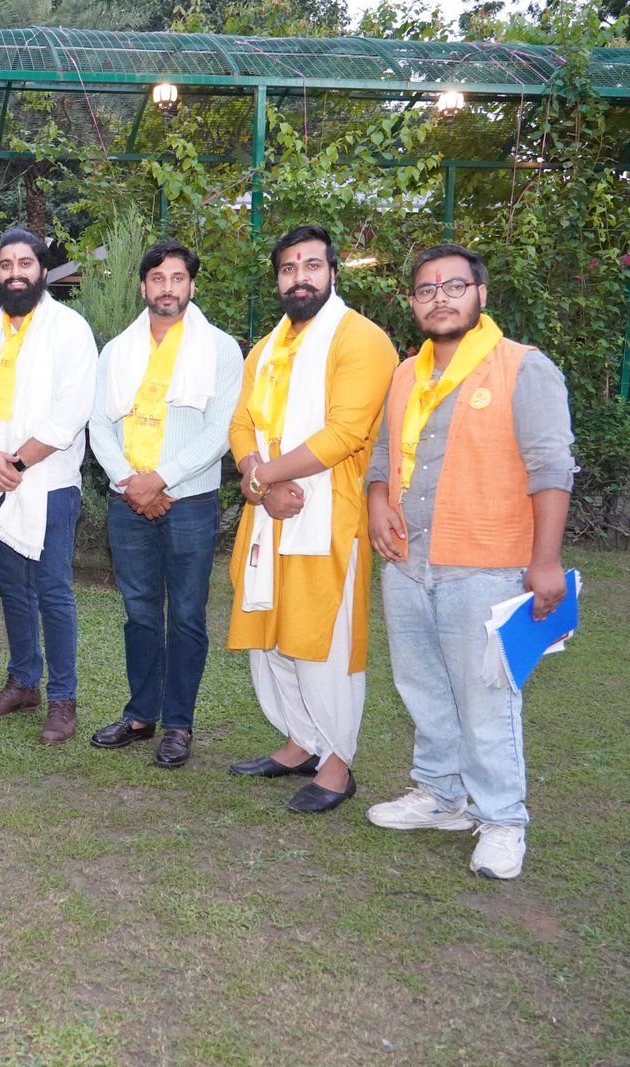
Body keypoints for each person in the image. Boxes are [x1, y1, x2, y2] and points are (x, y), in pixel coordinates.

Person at [365, 243, 574, 879]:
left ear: (481, 294)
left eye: (454, 286)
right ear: (412, 303)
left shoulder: (523, 367)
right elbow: (382, 457)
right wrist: (377, 503)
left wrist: (545, 562)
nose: (440, 298)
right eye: (426, 289)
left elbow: (551, 467)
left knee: (487, 701)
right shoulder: (407, 373)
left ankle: (503, 819)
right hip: (408, 563)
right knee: (424, 690)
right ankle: (441, 796)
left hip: (486, 567)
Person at [225, 225, 395, 813]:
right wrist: (259, 479)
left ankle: (338, 762)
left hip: (328, 516)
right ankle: (300, 742)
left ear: (332, 273)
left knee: (325, 638)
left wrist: (262, 479)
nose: (300, 278)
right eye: (288, 268)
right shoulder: (265, 348)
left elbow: (345, 433)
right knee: (272, 636)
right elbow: (241, 424)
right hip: (269, 515)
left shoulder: (361, 339)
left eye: (312, 266)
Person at [87, 240, 244, 769]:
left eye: (177, 278)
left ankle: (178, 724)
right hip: (127, 499)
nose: (168, 288)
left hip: (189, 500)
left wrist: (160, 480)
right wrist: (130, 482)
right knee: (139, 612)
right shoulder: (116, 351)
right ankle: (140, 716)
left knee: (187, 615)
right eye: (158, 278)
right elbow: (98, 424)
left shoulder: (220, 348)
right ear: (143, 287)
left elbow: (220, 431)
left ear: (191, 285)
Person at [0, 228, 97, 744]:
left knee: (52, 591)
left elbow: (70, 412)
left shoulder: (69, 329)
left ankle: (63, 699)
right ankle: (23, 683)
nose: (14, 273)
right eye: (5, 265)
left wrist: (14, 461)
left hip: (48, 482)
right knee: (13, 589)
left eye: (24, 264)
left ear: (42, 269)